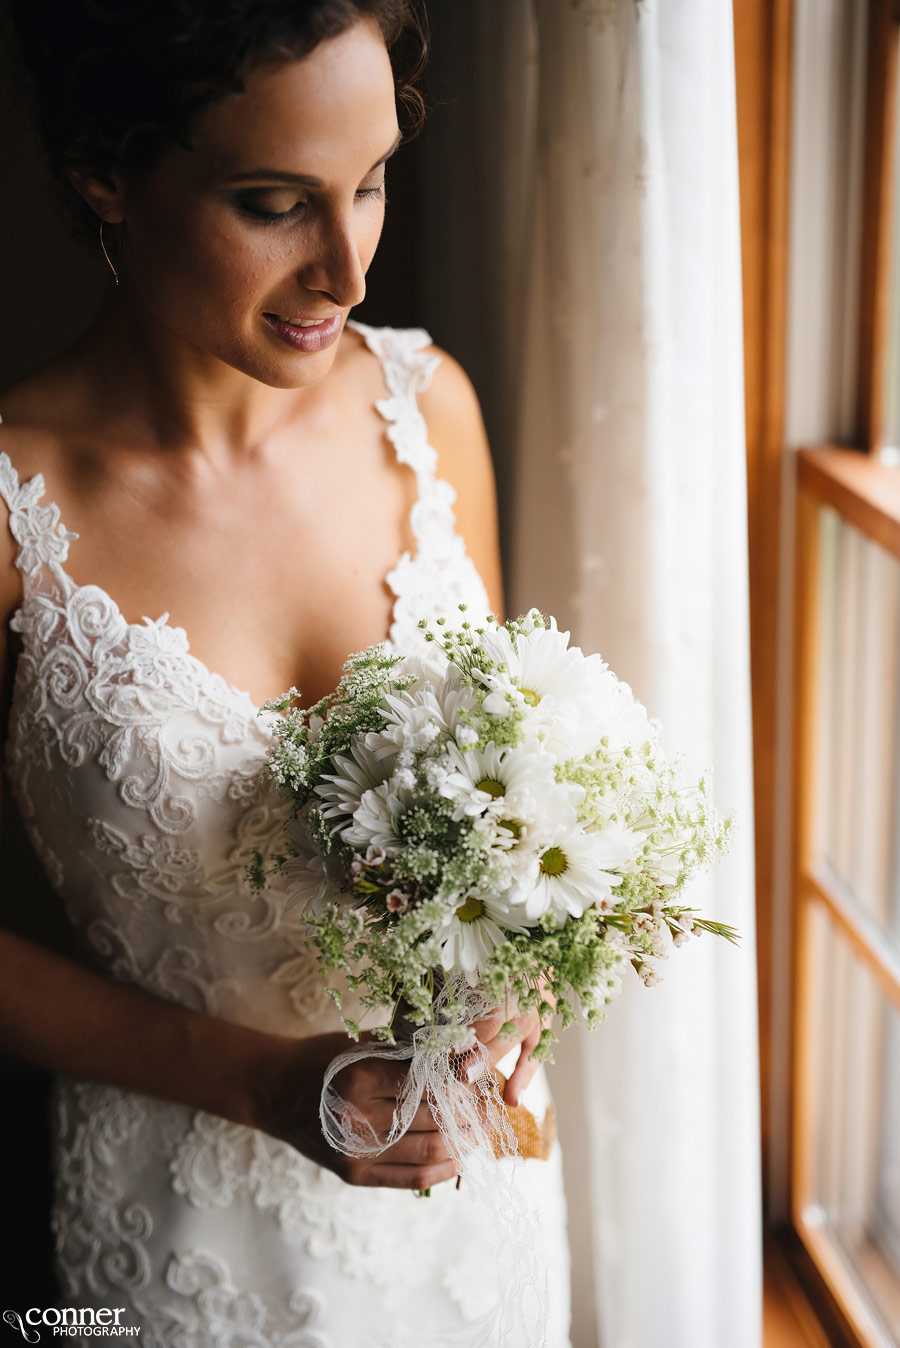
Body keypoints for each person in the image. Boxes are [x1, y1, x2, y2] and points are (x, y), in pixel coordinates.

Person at [0, 1, 572, 1344]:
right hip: (189, 1224)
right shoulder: (14, 503)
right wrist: (264, 1087)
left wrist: (533, 959)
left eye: (369, 184)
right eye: (274, 202)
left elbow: (519, 781)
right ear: (106, 172)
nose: (347, 272)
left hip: (471, 1215)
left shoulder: (430, 413)